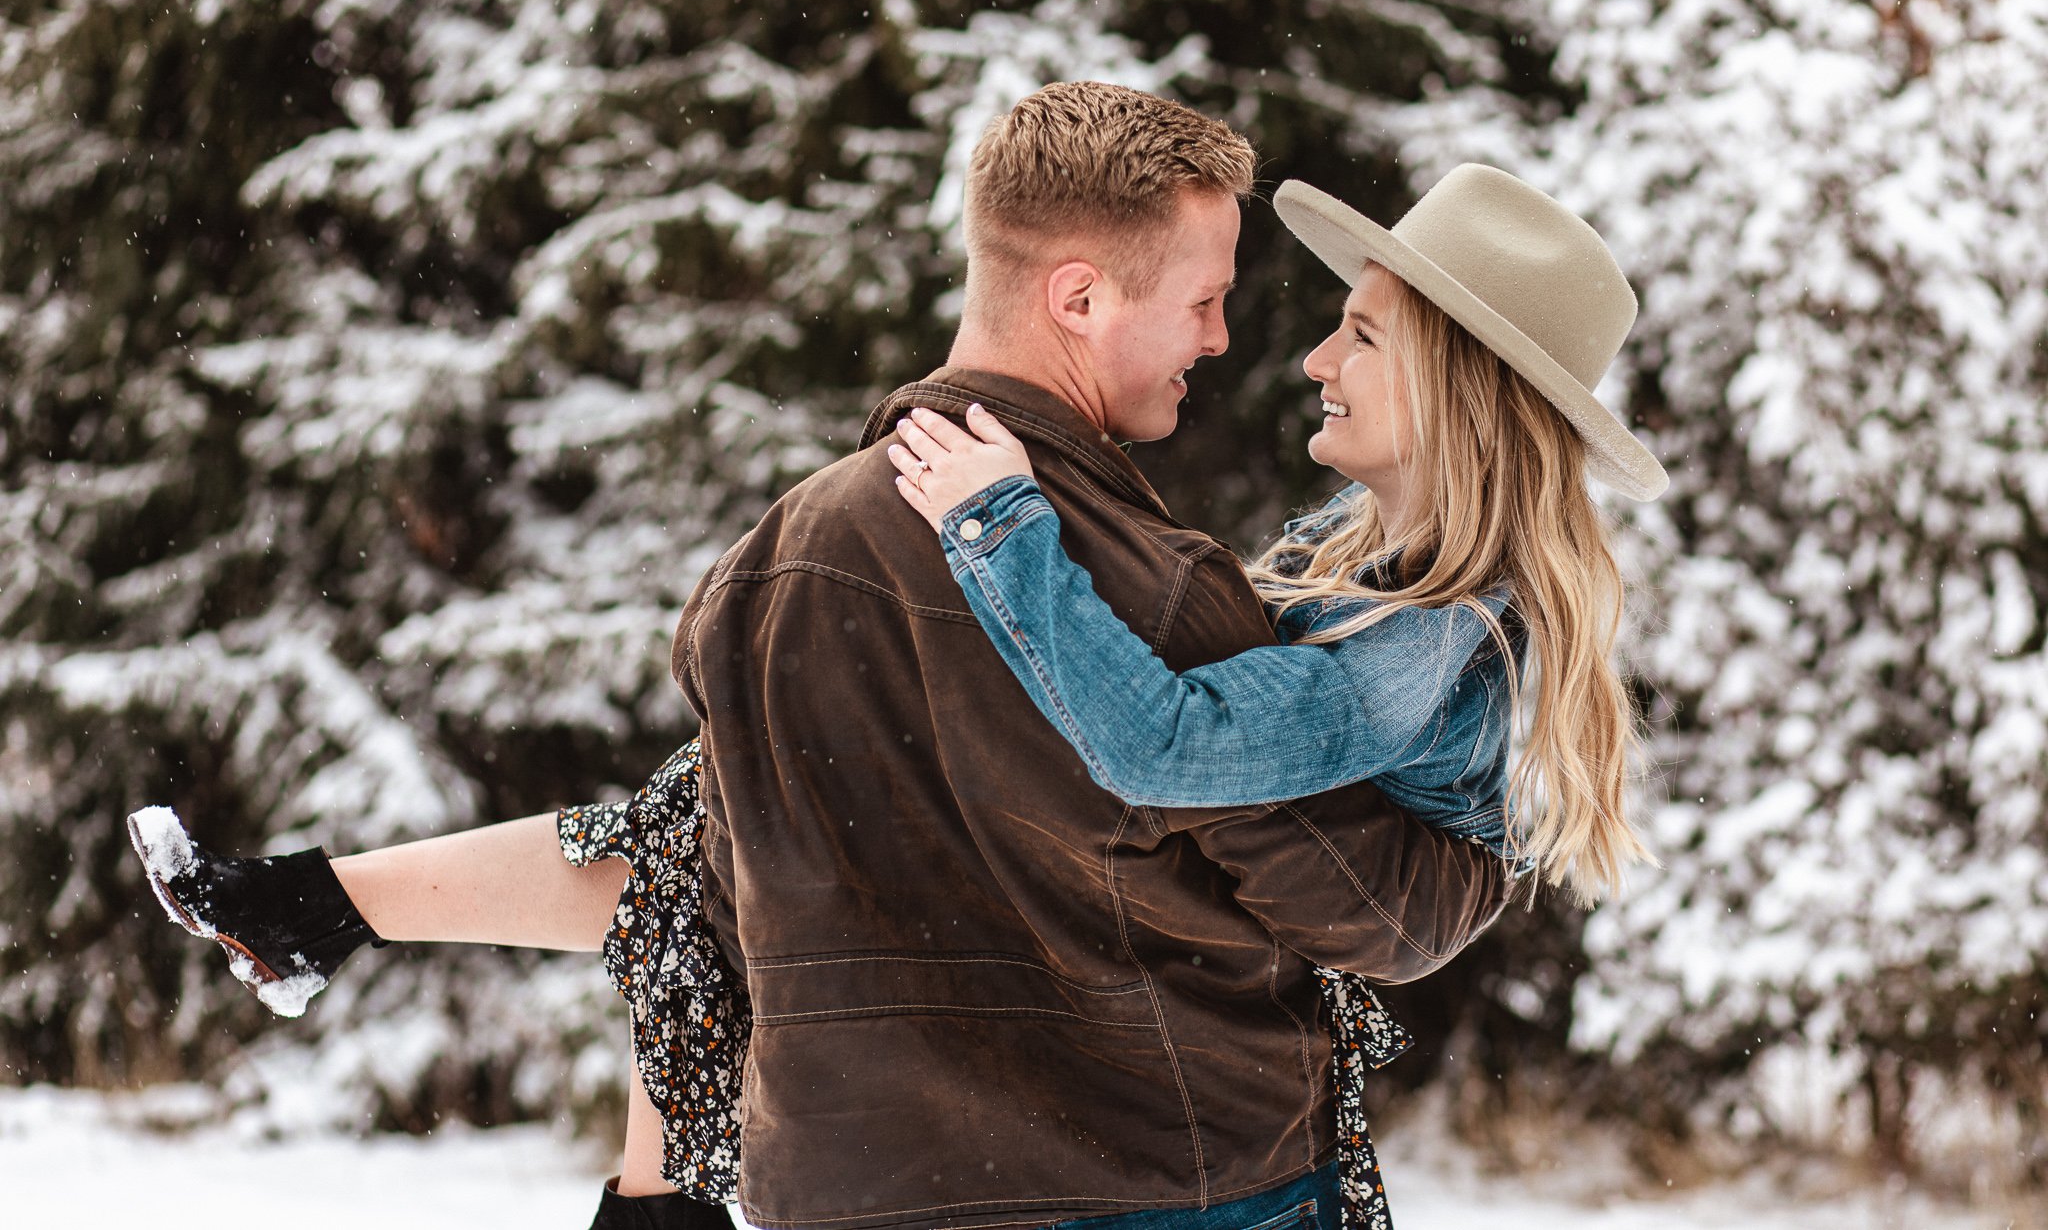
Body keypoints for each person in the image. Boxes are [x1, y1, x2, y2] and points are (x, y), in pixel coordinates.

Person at [129, 84, 1569, 1230]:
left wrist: (647, 1179)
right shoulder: (1149, 586)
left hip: (859, 1190)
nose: (1237, 337)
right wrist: (1461, 868)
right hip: (1169, 1180)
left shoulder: (788, 550)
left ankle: (307, 904)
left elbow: (703, 868)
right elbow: (1371, 919)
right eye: (1204, 294)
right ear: (1079, 298)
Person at [885, 166, 1664, 911]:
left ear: (1458, 391)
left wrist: (998, 525)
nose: (1317, 361)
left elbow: (1164, 748)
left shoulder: (1426, 647)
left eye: (1362, 337)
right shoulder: (1343, 547)